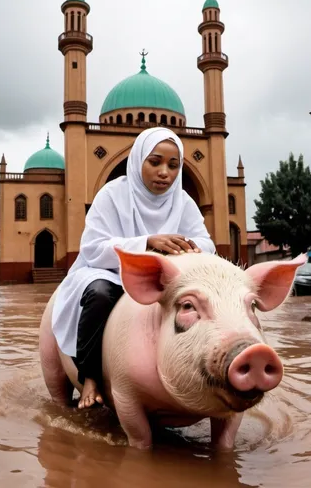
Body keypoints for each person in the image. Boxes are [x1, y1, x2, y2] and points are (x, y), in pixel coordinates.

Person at [51, 127, 216, 409]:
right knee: (100, 295)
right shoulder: (112, 195)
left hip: (167, 278)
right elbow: (92, 248)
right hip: (110, 272)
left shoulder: (182, 201)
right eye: (155, 162)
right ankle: (90, 375)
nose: (165, 172)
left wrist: (184, 247)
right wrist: (147, 243)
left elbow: (206, 244)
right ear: (139, 159)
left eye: (173, 165)